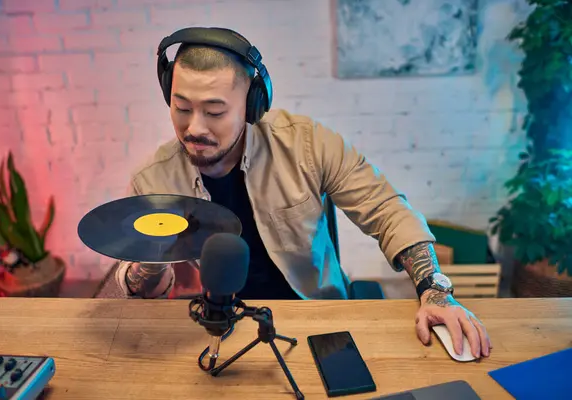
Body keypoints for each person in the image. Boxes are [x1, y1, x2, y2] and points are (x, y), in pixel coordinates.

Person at [114, 27, 491, 359]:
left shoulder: (306, 144)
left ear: (251, 105)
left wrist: (434, 290)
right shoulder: (154, 179)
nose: (194, 127)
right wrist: (146, 266)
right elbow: (145, 290)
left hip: (320, 320)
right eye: (181, 108)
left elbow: (387, 208)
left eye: (214, 112)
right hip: (223, 327)